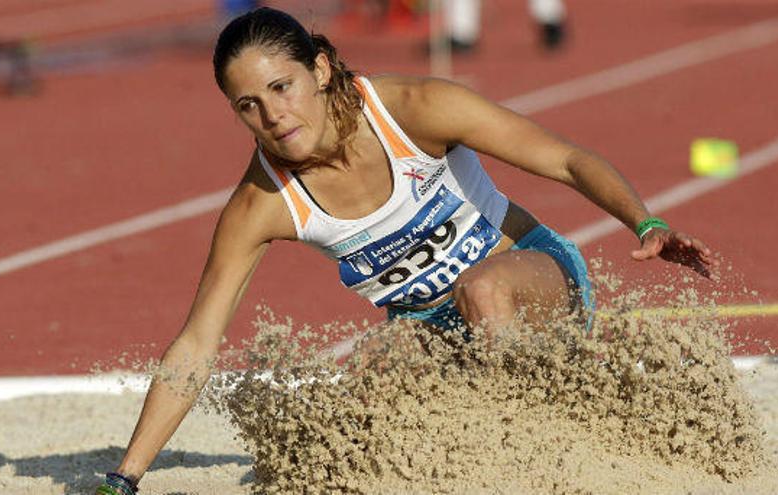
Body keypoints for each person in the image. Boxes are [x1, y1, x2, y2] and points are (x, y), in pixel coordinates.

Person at [95, 7, 713, 494]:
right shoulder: (262, 203)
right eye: (247, 106)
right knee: (359, 385)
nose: (272, 116)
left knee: (483, 289)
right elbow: (197, 344)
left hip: (538, 286)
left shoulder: (414, 110)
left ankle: (546, 446)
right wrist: (126, 479)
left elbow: (566, 159)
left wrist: (643, 221)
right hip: (433, 332)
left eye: (281, 87)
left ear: (321, 68)